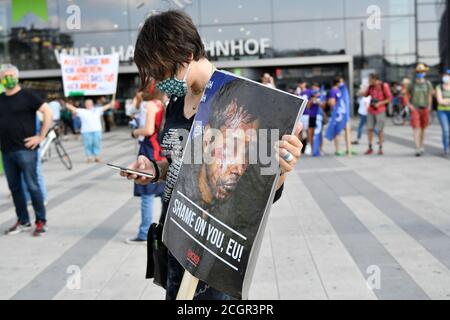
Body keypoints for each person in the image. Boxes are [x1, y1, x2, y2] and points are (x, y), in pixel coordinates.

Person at [122, 10, 303, 300]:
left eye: (163, 71)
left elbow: (261, 191)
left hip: (212, 258)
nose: (160, 81)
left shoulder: (239, 99)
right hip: (175, 240)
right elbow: (181, 161)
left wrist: (281, 169)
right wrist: (155, 168)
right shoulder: (176, 102)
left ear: (189, 54)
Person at [0, 64, 53, 236]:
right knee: (15, 188)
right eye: (4, 76)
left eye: (10, 75)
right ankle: (23, 220)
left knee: (32, 186)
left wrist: (41, 136)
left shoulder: (28, 95)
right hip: (7, 151)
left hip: (26, 150)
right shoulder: (1, 98)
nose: (7, 79)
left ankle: (40, 221)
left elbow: (47, 112)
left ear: (16, 77)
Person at [126, 82, 166, 245]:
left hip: (150, 148)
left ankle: (144, 232)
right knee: (165, 193)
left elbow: (149, 130)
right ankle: (164, 230)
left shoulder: (150, 104)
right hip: (161, 148)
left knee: (147, 192)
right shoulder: (161, 103)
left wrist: (134, 132)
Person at [65, 98, 114, 163]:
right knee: (88, 144)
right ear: (85, 104)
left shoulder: (97, 110)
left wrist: (111, 103)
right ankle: (89, 157)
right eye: (87, 103)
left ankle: (96, 156)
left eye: (90, 103)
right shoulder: (82, 111)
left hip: (96, 130)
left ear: (92, 104)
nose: (89, 105)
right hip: (86, 131)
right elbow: (73, 109)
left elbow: (106, 107)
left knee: (96, 143)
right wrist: (67, 105)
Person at [408, 63, 434, 157]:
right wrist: (409, 104)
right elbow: (406, 94)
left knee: (423, 128)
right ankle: (417, 147)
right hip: (415, 108)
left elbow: (429, 95)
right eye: (418, 71)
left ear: (425, 72)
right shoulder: (412, 83)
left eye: (422, 71)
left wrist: (430, 106)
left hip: (425, 108)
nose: (420, 73)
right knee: (416, 127)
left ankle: (421, 145)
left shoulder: (428, 83)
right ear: (416, 72)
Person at [364, 73, 392, 155]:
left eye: (370, 79)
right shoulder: (370, 87)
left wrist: (380, 103)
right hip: (371, 110)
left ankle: (380, 148)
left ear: (375, 79)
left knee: (380, 130)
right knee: (369, 129)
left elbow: (389, 99)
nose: (368, 81)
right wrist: (366, 88)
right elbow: (365, 95)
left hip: (380, 110)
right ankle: (370, 147)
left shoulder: (384, 86)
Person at [436, 69, 450, 157]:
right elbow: (439, 101)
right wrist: (446, 101)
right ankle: (446, 149)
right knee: (445, 130)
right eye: (445, 75)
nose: (446, 77)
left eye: (448, 75)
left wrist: (445, 100)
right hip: (442, 111)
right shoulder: (439, 87)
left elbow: (442, 99)